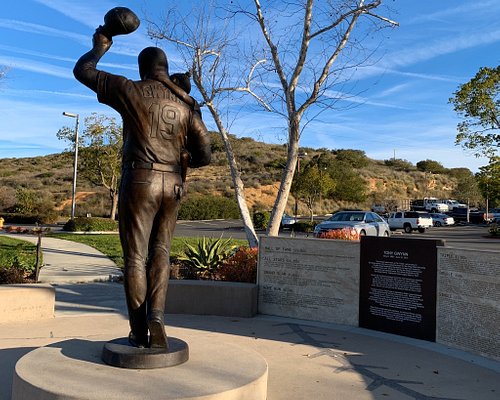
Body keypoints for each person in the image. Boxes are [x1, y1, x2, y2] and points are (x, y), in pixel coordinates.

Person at [73, 29, 211, 349]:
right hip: (173, 184)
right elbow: (204, 153)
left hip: (140, 181)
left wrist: (101, 45)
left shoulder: (129, 88)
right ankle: (157, 317)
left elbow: (83, 71)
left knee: (136, 256)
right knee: (160, 252)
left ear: (143, 69)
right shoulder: (185, 102)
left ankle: (138, 331)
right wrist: (181, 151)